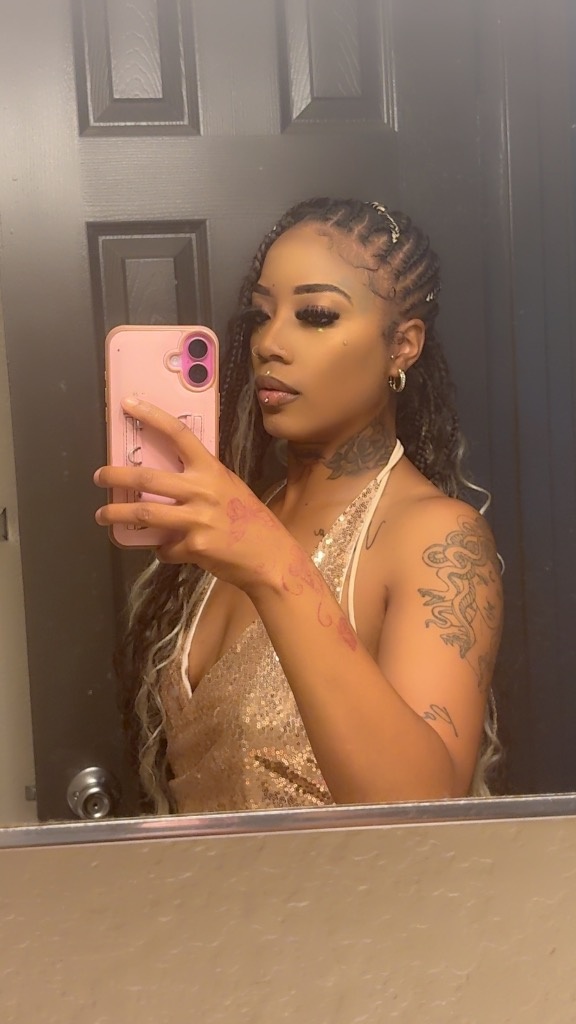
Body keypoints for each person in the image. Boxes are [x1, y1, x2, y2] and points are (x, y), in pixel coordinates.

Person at [94, 197, 503, 815]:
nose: (270, 343)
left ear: (403, 346)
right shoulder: (241, 517)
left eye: (315, 315)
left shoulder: (437, 537)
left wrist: (275, 567)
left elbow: (422, 816)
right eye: (262, 315)